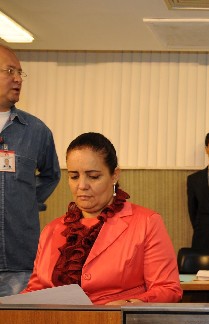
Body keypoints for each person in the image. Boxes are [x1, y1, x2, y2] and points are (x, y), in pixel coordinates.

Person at [22, 132, 182, 305]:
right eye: (74, 176)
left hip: (116, 320)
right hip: (58, 321)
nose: (82, 186)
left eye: (93, 176)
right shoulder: (52, 229)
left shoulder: (146, 222)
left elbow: (168, 288)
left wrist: (131, 304)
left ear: (114, 175)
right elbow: (35, 291)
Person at [0, 44, 60, 296]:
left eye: (20, 72)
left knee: (20, 323)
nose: (18, 79)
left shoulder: (37, 131)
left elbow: (51, 175)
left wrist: (24, 201)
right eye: (10, 71)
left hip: (20, 263)